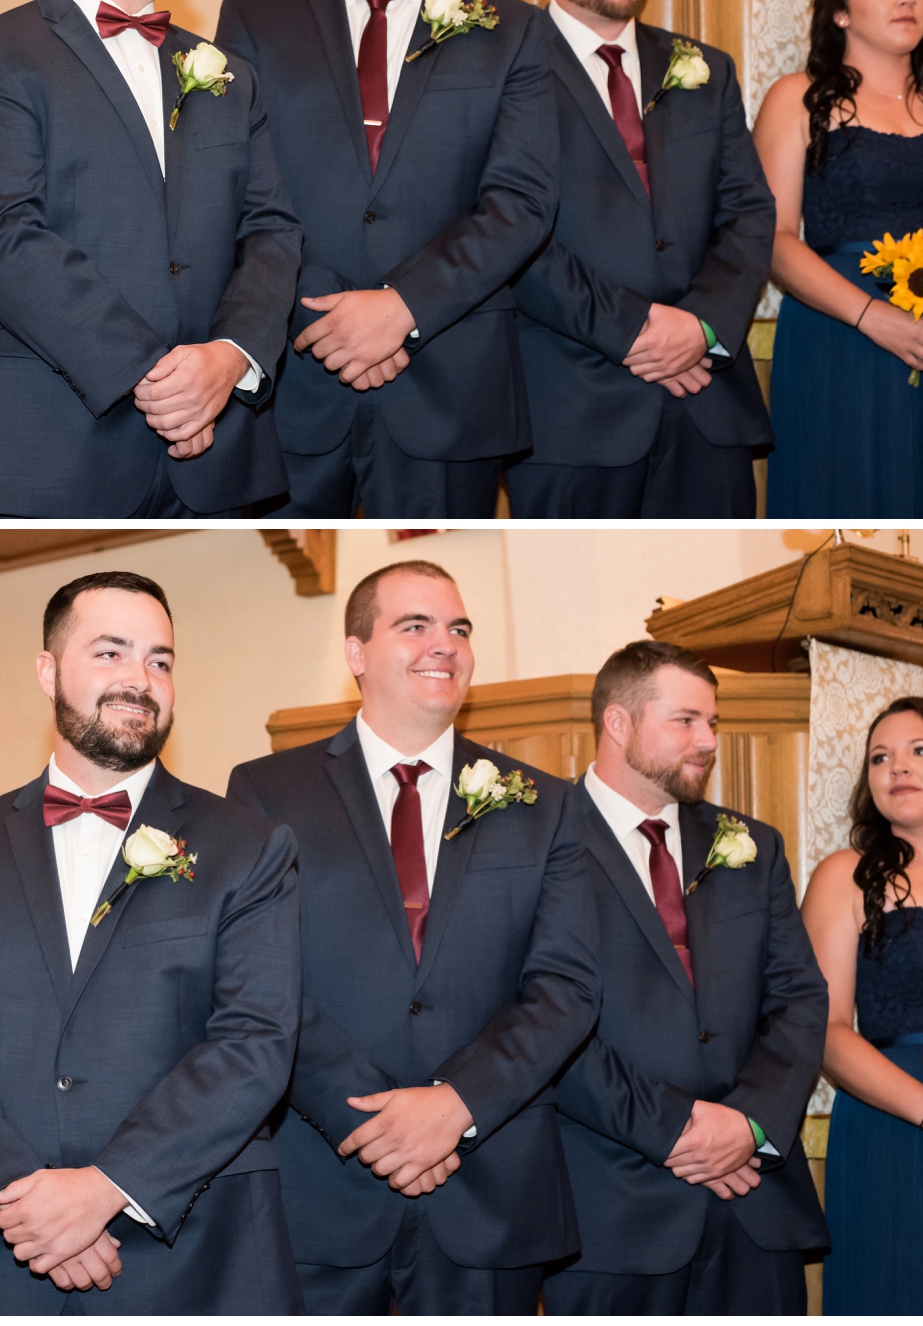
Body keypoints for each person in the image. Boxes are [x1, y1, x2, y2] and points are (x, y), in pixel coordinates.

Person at [0, 570, 303, 1314]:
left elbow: (255, 1040)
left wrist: (109, 1187)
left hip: (193, 1248)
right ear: (47, 670)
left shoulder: (249, 846)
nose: (139, 680)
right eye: (110, 653)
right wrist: (21, 1199)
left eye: (160, 659)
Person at [226, 560, 599, 1313]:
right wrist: (378, 1126)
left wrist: (455, 1104)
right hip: (323, 1188)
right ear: (357, 651)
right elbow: (261, 983)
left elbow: (566, 986)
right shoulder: (267, 792)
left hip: (490, 1190)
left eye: (459, 627)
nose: (446, 643)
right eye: (416, 624)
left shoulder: (545, 803)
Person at [0, 0, 301, 518]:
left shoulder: (228, 73)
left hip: (223, 455)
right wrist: (159, 378)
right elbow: (6, 237)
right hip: (54, 449)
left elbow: (272, 231)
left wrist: (227, 358)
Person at [216, 0, 570, 519]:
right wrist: (332, 317)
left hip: (449, 386)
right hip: (297, 380)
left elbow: (522, 201)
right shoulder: (255, 16)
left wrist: (403, 307)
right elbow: (240, 185)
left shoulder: (514, 29)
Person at [542, 640, 829, 1315]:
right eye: (685, 720)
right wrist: (677, 1126)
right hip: (611, 1211)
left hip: (754, 1203)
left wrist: (748, 1122)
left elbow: (798, 1000)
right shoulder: (536, 843)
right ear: (618, 723)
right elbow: (537, 1015)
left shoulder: (751, 845)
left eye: (714, 722)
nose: (708, 739)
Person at [508, 0, 774, 519]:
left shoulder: (704, 68)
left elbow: (747, 213)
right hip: (571, 410)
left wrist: (700, 327)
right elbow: (508, 230)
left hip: (705, 402)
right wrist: (637, 332)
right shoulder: (502, 72)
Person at [754, 0, 923, 517]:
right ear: (840, 11)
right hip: (840, 337)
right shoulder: (798, 98)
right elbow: (773, 238)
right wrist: (877, 319)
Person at [801, 697, 923, 1317]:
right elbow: (826, 1031)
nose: (897, 767)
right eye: (879, 758)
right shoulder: (849, 875)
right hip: (898, 1123)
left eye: (921, 750)